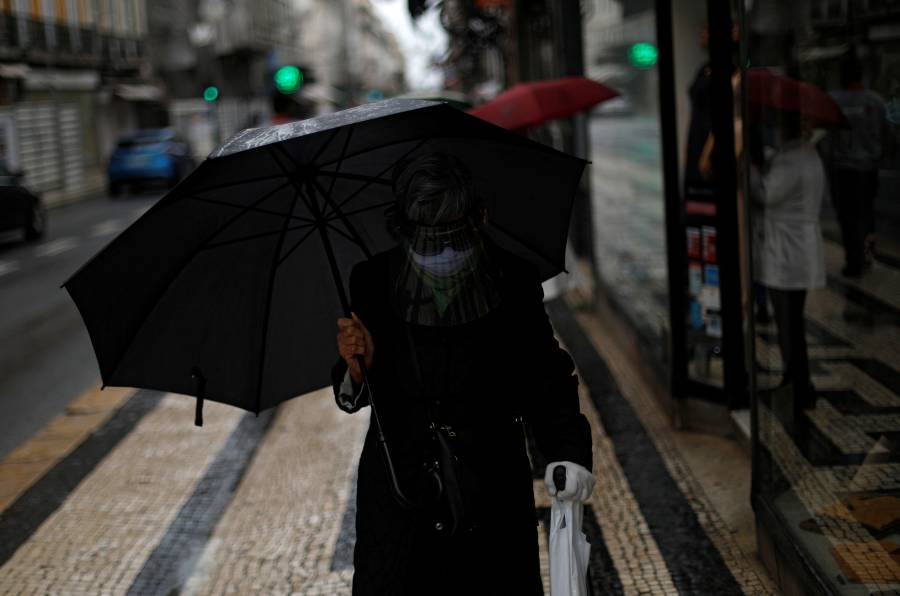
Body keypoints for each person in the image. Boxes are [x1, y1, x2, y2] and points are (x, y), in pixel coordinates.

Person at [331, 152, 594, 595]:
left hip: (492, 493)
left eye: (455, 236)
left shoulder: (512, 278)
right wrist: (355, 367)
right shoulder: (372, 281)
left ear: (479, 218)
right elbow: (353, 391)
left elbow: (545, 376)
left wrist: (567, 452)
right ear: (405, 229)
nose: (446, 253)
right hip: (401, 497)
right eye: (430, 241)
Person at [750, 111, 826, 438]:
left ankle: (797, 384)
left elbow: (767, 194)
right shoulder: (807, 155)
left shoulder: (792, 161)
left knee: (788, 323)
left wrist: (750, 170)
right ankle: (797, 380)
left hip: (788, 252)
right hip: (801, 246)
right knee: (792, 321)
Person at [822, 54, 889, 277]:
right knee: (867, 213)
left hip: (843, 170)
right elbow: (888, 135)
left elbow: (826, 137)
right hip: (869, 168)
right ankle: (867, 256)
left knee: (848, 216)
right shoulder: (876, 101)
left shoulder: (833, 101)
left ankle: (854, 260)